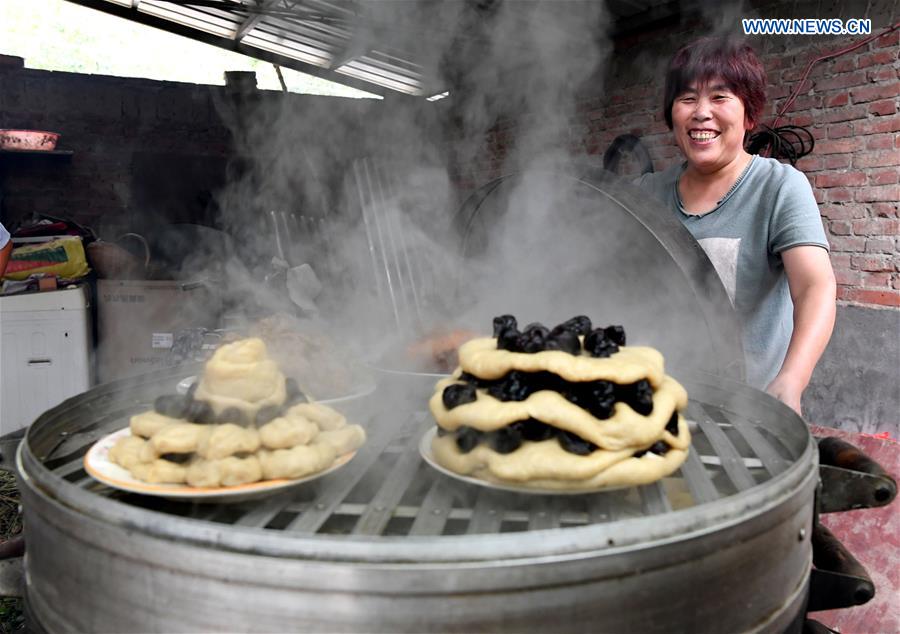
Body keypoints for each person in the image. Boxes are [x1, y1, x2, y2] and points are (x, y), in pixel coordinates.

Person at [635, 37, 836, 416]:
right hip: (656, 399)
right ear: (671, 113)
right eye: (687, 98)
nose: (701, 113)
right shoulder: (645, 193)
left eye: (720, 97)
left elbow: (815, 286)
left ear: (749, 115)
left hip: (747, 409)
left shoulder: (778, 187)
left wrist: (792, 379)